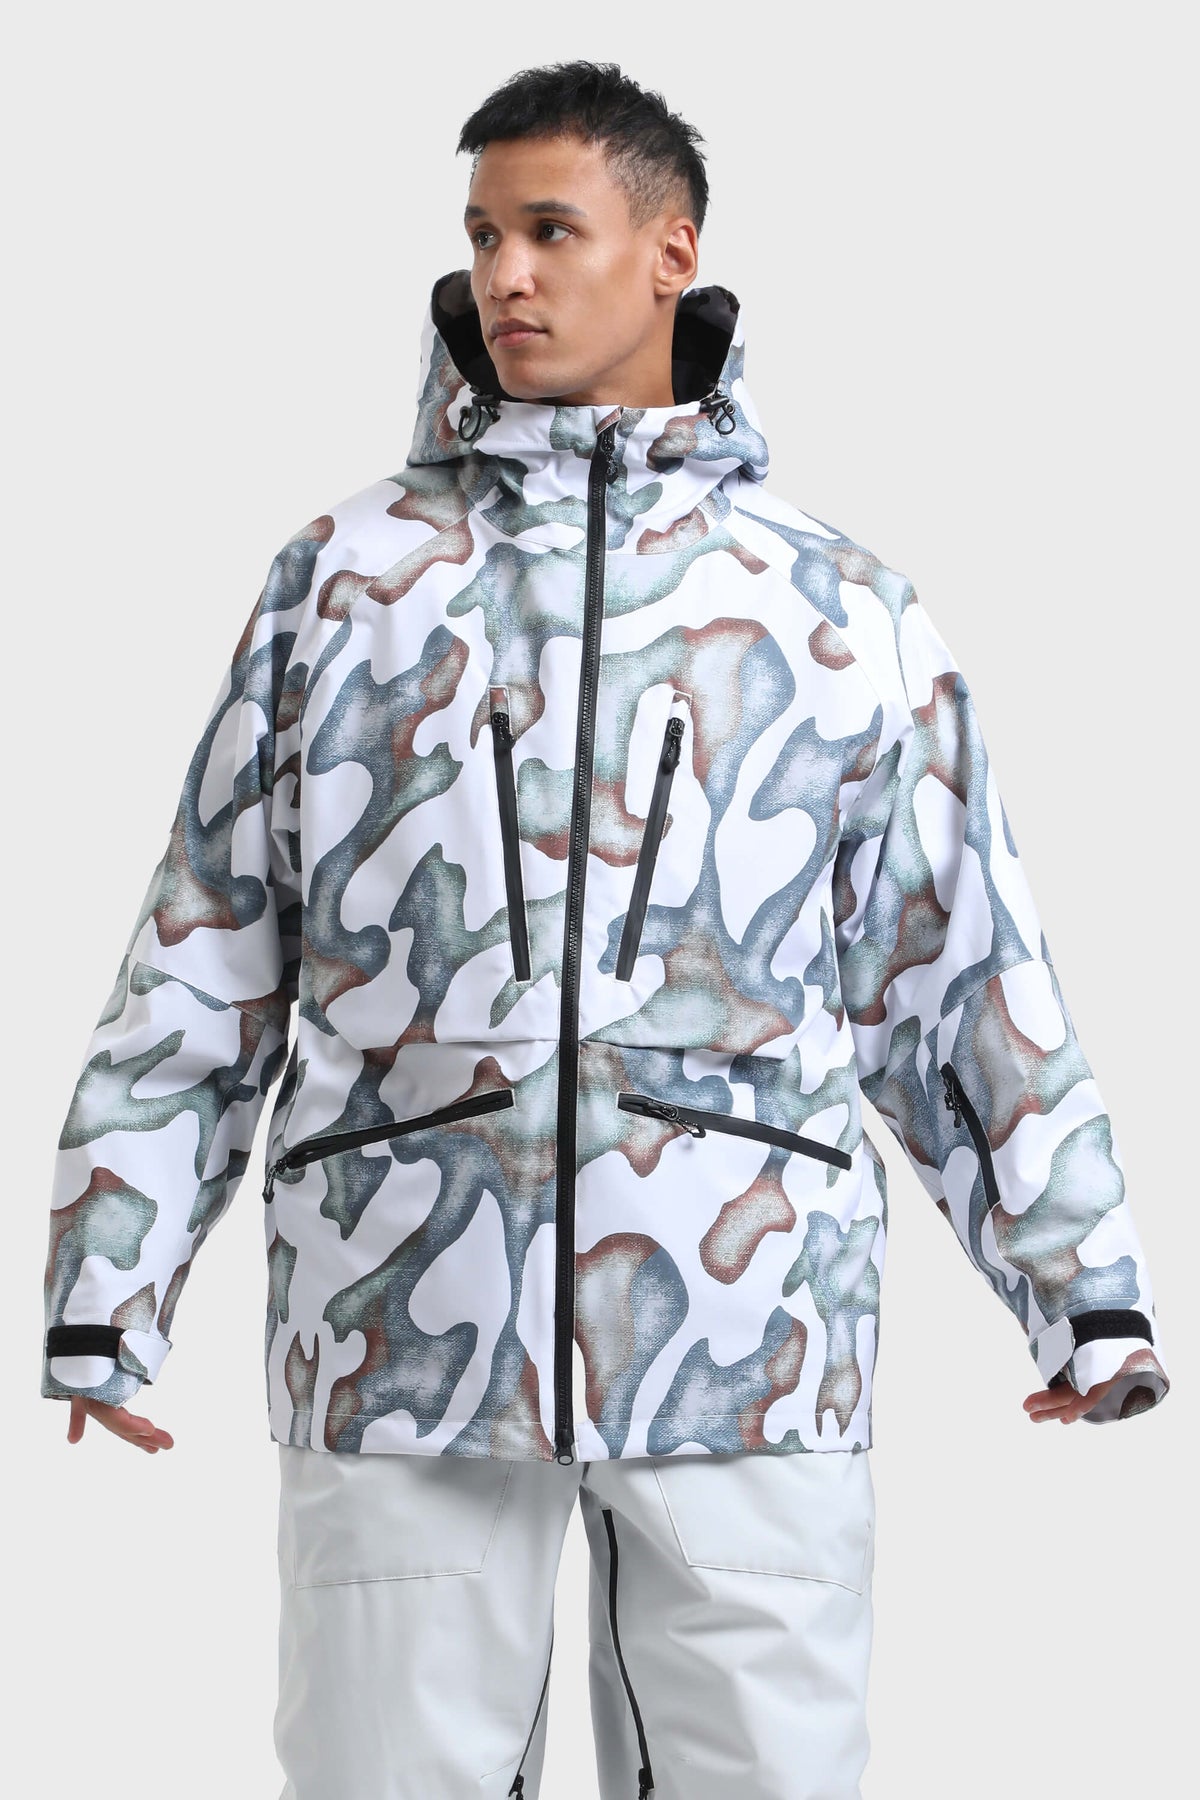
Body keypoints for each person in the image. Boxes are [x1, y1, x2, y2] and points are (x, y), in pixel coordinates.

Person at [42, 57, 1170, 1800]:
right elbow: (213, 942)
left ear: (671, 252)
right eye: (482, 234)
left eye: (550, 231)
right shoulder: (340, 585)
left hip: (748, 1338)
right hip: (400, 1322)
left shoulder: (832, 607)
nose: (504, 274)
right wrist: (108, 1282)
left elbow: (954, 969)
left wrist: (1082, 1291)